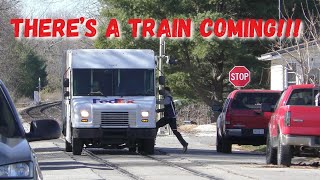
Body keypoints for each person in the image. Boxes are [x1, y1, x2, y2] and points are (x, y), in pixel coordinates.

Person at [156, 87, 188, 153]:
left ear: (167, 91)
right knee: (175, 132)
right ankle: (184, 144)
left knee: (155, 126)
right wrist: (159, 110)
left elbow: (162, 102)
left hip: (169, 117)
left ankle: (152, 140)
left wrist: (154, 100)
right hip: (171, 117)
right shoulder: (169, 98)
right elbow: (167, 108)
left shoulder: (168, 98)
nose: (162, 92)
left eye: (163, 91)